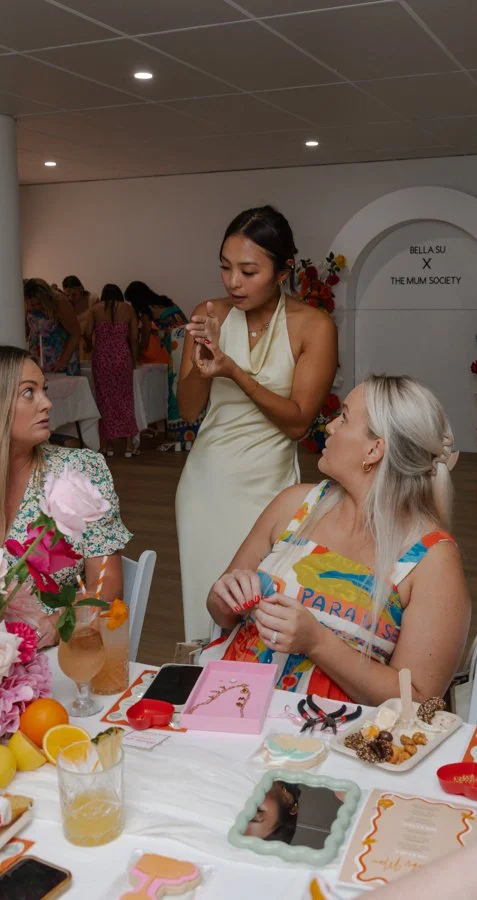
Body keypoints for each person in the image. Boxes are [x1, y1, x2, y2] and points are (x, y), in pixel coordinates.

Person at [201, 375, 470, 705]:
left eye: (343, 417)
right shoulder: (294, 505)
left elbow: (417, 700)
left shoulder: (431, 559)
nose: (329, 426)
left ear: (374, 449)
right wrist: (226, 594)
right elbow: (219, 610)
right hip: (225, 704)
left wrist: (316, 642)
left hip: (335, 740)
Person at [175, 205, 338, 641]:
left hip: (271, 492)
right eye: (226, 268)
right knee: (206, 610)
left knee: (263, 610)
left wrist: (233, 372)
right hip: (205, 485)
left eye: (249, 271)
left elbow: (298, 424)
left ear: (282, 271)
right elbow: (189, 410)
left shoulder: (313, 326)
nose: (233, 282)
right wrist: (201, 354)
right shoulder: (209, 312)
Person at [0, 346, 132, 647]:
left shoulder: (79, 471)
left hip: (53, 658)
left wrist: (59, 623)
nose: (48, 404)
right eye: (29, 393)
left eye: (44, 390)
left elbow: (106, 585)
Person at [84, 283, 139, 459]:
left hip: (101, 359)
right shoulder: (128, 310)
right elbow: (133, 338)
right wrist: (134, 360)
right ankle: (129, 446)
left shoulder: (95, 309)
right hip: (122, 358)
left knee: (104, 400)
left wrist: (89, 346)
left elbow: (87, 333)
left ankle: (106, 446)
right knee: (126, 400)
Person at [24, 278, 81, 375]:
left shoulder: (60, 302)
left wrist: (63, 360)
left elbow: (76, 333)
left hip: (61, 358)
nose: (36, 308)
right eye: (32, 305)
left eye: (39, 304)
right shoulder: (24, 303)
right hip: (38, 357)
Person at [124, 281, 169, 365]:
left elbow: (145, 341)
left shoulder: (146, 311)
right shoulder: (164, 301)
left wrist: (136, 350)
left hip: (164, 355)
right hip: (181, 341)